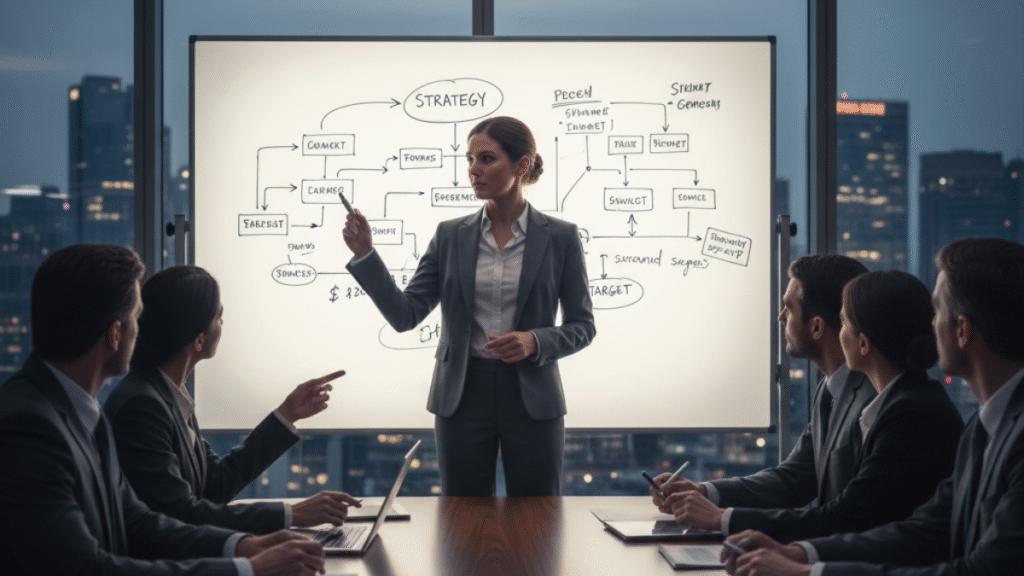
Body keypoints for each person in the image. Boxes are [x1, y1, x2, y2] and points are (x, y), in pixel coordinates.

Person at [0, 244, 326, 576]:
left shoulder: (83, 414)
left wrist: (241, 546)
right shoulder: (30, 428)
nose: (140, 331)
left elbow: (137, 521)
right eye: (135, 319)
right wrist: (247, 570)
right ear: (115, 334)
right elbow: (85, 567)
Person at [720, 238, 1024, 576]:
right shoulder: (981, 430)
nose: (929, 324)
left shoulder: (935, 417)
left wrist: (808, 571)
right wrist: (801, 554)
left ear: (962, 329)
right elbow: (923, 531)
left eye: (937, 311)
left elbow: (981, 571)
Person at [341, 116, 596, 496]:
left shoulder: (560, 237)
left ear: (521, 166)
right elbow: (405, 315)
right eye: (470, 159)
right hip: (462, 396)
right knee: (462, 518)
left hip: (532, 397)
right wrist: (366, 255)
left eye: (487, 159)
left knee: (538, 517)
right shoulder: (449, 235)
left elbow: (582, 325)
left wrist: (534, 341)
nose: (473, 170)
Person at [654, 254, 954, 543]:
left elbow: (850, 517)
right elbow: (796, 477)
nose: (780, 318)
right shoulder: (833, 390)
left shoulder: (892, 407)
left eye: (788, 308)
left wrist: (722, 518)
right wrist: (706, 494)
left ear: (819, 327)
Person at [104, 265, 360, 534]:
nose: (222, 326)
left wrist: (288, 413)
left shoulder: (167, 395)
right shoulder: (143, 406)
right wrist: (290, 514)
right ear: (199, 340)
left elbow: (215, 485)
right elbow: (179, 514)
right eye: (218, 318)